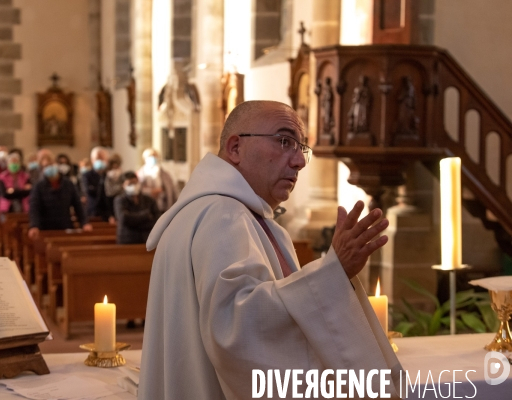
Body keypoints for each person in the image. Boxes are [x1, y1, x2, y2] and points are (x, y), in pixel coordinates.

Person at [138, 101, 401, 399]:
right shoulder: (224, 215)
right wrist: (332, 274)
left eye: (301, 149)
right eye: (284, 141)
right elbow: (236, 329)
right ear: (235, 148)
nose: (299, 162)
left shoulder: (217, 212)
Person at [28, 150, 92, 239]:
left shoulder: (68, 184)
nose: (49, 167)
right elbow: (34, 208)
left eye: (51, 164)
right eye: (46, 166)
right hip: (46, 228)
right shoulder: (39, 186)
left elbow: (78, 205)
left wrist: (84, 223)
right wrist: (34, 225)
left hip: (65, 226)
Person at [113, 171, 160, 244]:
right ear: (123, 185)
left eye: (135, 183)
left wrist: (133, 221)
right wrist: (146, 215)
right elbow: (123, 218)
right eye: (129, 184)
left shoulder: (149, 200)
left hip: (146, 239)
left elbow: (156, 220)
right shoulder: (120, 200)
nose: (133, 186)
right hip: (127, 240)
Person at [136, 148, 178, 213]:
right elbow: (138, 189)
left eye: (154, 156)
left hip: (163, 206)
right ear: (144, 159)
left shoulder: (164, 174)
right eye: (150, 156)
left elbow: (172, 190)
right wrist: (151, 191)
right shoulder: (140, 173)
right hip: (147, 208)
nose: (152, 158)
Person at [82, 146, 112, 222]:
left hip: (108, 213)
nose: (99, 160)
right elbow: (89, 191)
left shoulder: (110, 176)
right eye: (97, 158)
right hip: (92, 212)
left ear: (107, 160)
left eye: (101, 158)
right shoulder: (86, 176)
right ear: (92, 160)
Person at [104, 153, 124, 221]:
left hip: (120, 200)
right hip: (110, 202)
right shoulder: (107, 175)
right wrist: (121, 187)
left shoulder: (121, 174)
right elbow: (109, 191)